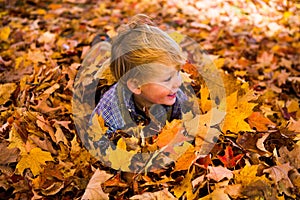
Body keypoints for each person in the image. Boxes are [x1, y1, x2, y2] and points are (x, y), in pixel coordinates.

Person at [91, 14, 188, 139]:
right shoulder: (111, 108)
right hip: (100, 77)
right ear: (136, 85)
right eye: (167, 79)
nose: (178, 83)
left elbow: (189, 124)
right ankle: (101, 42)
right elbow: (95, 138)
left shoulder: (174, 95)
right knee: (97, 59)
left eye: (178, 73)